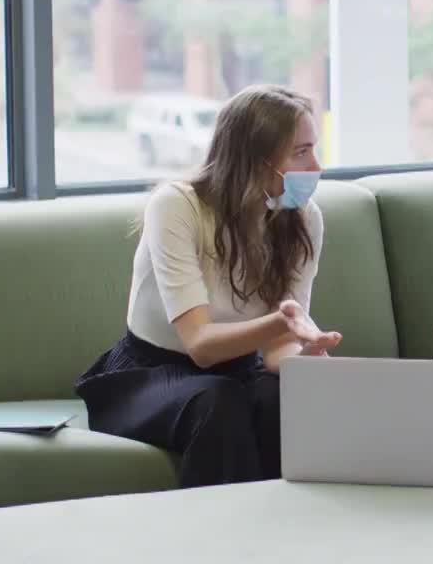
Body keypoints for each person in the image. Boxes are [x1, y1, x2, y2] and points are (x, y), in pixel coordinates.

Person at [77, 85, 342, 488]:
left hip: (238, 371)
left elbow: (275, 350)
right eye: (301, 152)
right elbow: (199, 344)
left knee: (279, 399)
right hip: (150, 372)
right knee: (219, 403)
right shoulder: (176, 205)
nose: (316, 166)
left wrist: (305, 354)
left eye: (314, 149)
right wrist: (284, 325)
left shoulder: (304, 220)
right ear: (257, 159)